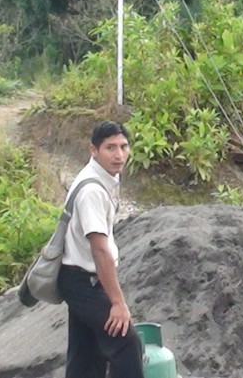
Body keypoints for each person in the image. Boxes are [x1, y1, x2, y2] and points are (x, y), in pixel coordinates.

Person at [58, 120, 143, 378]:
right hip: (83, 280)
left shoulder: (101, 178)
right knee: (126, 342)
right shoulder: (93, 189)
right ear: (93, 150)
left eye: (124, 146)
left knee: (85, 355)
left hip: (77, 277)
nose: (119, 155)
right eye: (110, 148)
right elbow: (100, 250)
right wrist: (118, 302)